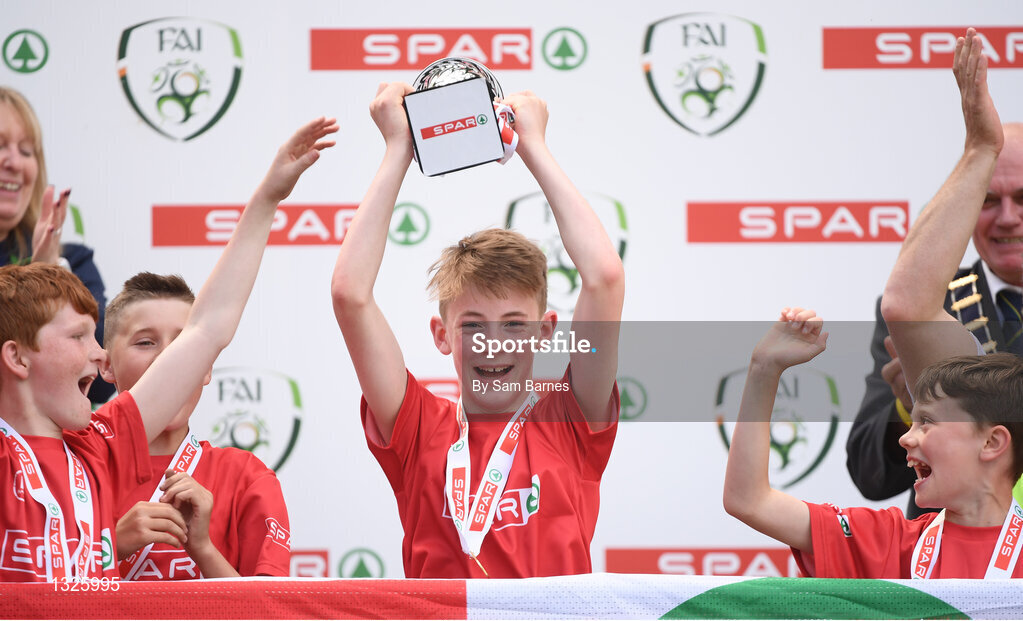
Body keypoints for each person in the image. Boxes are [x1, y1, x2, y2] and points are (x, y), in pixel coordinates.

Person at [0, 116, 335, 582]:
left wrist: (266, 199)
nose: (98, 356)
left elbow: (209, 329)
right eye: (80, 337)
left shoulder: (102, 447)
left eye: (95, 336)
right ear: (15, 357)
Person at [331, 83, 624, 578]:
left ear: (545, 332)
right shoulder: (418, 426)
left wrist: (534, 148)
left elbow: (605, 277)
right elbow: (350, 295)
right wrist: (398, 149)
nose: (493, 342)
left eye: (514, 325)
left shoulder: (570, 418)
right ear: (441, 335)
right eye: (473, 326)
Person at [723, 308, 1023, 578]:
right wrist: (764, 370)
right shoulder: (887, 540)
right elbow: (749, 501)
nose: (905, 437)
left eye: (928, 423)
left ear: (991, 442)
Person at [848, 120, 1023, 518]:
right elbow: (868, 474)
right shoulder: (925, 309)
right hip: (952, 567)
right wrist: (913, 412)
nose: (1009, 217)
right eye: (989, 199)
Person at [104, 273, 290, 580]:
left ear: (206, 367)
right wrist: (112, 547)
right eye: (146, 342)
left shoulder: (246, 477)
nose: (167, 360)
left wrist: (203, 548)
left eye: (184, 347)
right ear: (106, 365)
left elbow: (266, 612)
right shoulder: (73, 467)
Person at [0, 86, 113, 403]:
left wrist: (52, 280)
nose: (14, 162)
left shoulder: (73, 262)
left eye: (26, 151)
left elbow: (101, 380)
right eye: (0, 146)